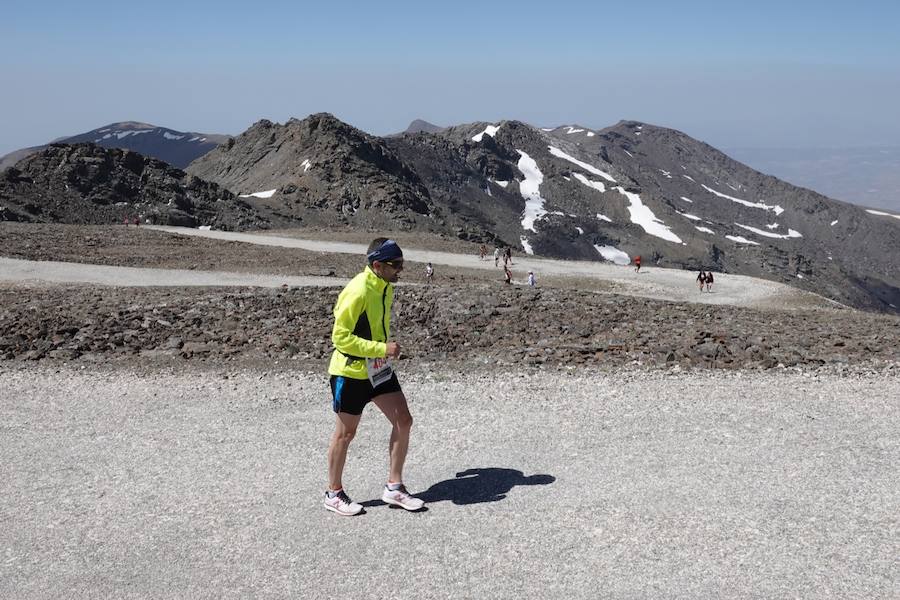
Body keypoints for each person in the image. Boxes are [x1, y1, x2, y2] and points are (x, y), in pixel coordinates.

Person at [324, 238, 425, 516]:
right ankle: (333, 493)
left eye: (402, 264)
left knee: (403, 420)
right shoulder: (357, 290)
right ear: (377, 265)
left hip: (377, 369)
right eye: (395, 265)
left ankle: (394, 487)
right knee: (345, 433)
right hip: (350, 371)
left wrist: (382, 351)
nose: (400, 271)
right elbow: (340, 337)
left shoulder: (384, 287)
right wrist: (381, 348)